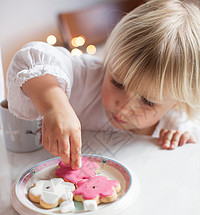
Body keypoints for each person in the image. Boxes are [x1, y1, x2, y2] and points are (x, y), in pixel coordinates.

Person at [6, 0, 200, 169]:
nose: (124, 107)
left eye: (148, 101)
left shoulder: (175, 124)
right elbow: (29, 59)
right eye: (117, 83)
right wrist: (55, 105)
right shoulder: (85, 76)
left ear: (176, 101)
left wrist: (183, 145)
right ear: (108, 61)